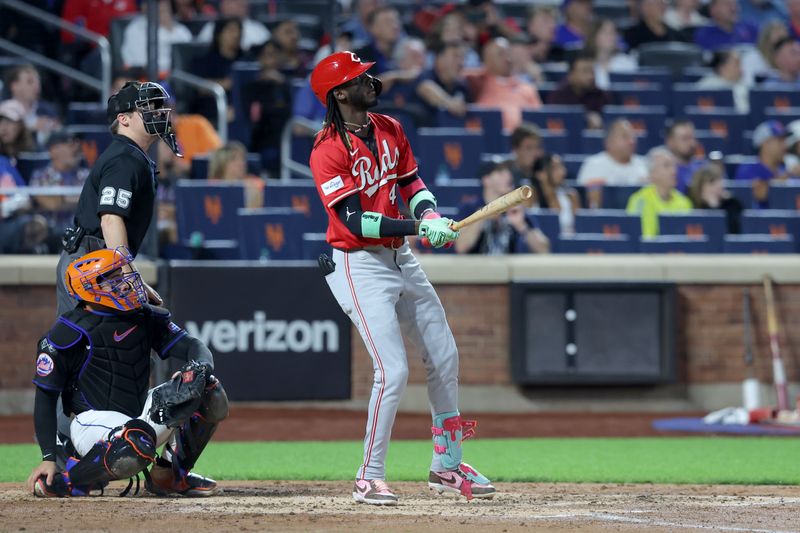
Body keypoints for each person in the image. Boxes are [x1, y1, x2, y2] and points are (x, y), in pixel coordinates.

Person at [308, 51, 495, 504]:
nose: (371, 80)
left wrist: (429, 213)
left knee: (444, 357)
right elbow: (355, 222)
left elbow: (411, 183)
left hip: (400, 258)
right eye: (360, 77)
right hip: (358, 264)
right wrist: (419, 228)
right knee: (392, 371)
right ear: (339, 93)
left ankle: (446, 466)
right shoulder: (327, 149)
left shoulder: (389, 127)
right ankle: (368, 475)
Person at [27, 247, 228, 498]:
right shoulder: (66, 333)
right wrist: (48, 457)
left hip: (139, 415)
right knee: (136, 439)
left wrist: (198, 367)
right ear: (90, 288)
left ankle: (169, 475)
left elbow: (193, 346)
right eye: (112, 278)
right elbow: (45, 398)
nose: (123, 282)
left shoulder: (143, 316)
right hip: (91, 422)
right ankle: (67, 482)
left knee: (209, 388)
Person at [56, 81, 182, 316]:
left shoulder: (131, 155)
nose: (156, 113)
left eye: (157, 107)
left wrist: (129, 274)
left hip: (100, 261)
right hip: (92, 264)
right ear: (124, 119)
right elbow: (110, 220)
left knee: (125, 344)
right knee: (91, 345)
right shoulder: (124, 159)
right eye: (146, 108)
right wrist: (128, 273)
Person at [455, 160, 551, 255]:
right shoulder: (470, 208)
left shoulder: (515, 209)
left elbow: (543, 249)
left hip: (508, 269)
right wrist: (482, 217)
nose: (508, 175)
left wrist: (522, 226)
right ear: (486, 180)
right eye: (500, 172)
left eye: (508, 172)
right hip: (477, 269)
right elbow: (460, 247)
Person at [468, 37, 542, 131]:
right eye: (500, 54)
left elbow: (539, 119)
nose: (507, 58)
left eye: (508, 53)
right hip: (490, 138)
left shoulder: (527, 88)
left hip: (521, 140)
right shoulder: (478, 81)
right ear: (487, 60)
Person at [243, 40, 293, 175]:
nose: (270, 59)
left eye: (274, 55)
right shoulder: (252, 87)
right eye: (266, 55)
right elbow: (254, 116)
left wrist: (282, 83)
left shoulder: (288, 83)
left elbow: (292, 112)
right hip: (264, 139)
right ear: (260, 58)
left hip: (288, 136)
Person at [577, 119, 649, 208]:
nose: (631, 141)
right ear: (609, 142)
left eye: (633, 136)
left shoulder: (645, 165)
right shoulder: (593, 165)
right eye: (625, 136)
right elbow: (589, 203)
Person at [29, 131, 90, 230]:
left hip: (81, 233)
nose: (77, 147)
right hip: (50, 234)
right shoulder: (41, 176)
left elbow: (94, 201)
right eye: (71, 143)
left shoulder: (88, 175)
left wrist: (62, 199)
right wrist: (82, 199)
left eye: (78, 143)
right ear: (53, 149)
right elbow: (51, 204)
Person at [626, 147, 692, 237]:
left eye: (674, 165)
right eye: (666, 166)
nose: (674, 171)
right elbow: (641, 238)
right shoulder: (639, 200)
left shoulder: (684, 202)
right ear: (652, 173)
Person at [120, 0, 192, 77]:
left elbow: (190, 61)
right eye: (158, 3)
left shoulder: (182, 30)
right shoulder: (136, 29)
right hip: (147, 81)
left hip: (180, 81)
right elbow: (140, 65)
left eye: (165, 3)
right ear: (145, 6)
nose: (163, 6)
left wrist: (169, 29)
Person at [546, 50, 613, 130]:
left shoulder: (601, 96)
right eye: (585, 71)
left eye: (592, 71)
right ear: (571, 75)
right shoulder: (558, 96)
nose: (590, 76)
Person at [734, 120, 795, 208]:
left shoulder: (784, 168)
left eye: (784, 141)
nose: (785, 146)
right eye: (780, 140)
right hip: (758, 221)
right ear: (765, 143)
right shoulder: (749, 168)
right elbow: (757, 194)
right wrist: (784, 179)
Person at [413, 42, 470, 125]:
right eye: (456, 57)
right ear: (439, 59)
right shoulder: (427, 75)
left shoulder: (461, 85)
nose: (461, 63)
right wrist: (449, 103)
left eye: (462, 58)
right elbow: (426, 88)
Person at [5, 64, 60, 147]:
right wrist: (32, 128)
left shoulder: (47, 109)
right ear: (14, 86)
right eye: (30, 82)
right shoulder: (5, 110)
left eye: (38, 82)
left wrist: (55, 128)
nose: (36, 86)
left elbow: (59, 131)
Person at [532, 153, 580, 234]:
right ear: (541, 174)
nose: (563, 172)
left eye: (562, 167)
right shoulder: (530, 197)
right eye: (555, 168)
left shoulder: (571, 196)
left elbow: (579, 228)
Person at [197, 0, 269, 53]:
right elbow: (201, 51)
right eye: (234, 2)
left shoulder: (258, 29)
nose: (240, 6)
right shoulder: (211, 27)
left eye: (242, 4)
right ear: (223, 6)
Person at [688, 164, 742, 233]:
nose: (718, 186)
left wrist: (715, 206)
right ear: (700, 188)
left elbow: (733, 231)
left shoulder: (731, 204)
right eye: (712, 182)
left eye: (719, 180)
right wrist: (710, 206)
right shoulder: (693, 208)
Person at [208, 141, 263, 208]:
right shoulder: (212, 186)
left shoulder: (254, 182)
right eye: (233, 159)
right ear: (221, 164)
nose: (241, 163)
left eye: (242, 159)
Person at [586, 19, 637, 90]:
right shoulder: (583, 64)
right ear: (594, 36)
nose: (611, 36)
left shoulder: (627, 62)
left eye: (613, 33)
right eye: (605, 32)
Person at [696, 49, 750, 113]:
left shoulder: (745, 87)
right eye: (737, 64)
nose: (741, 69)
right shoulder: (705, 85)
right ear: (722, 67)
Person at [693, 0, 758, 51]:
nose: (733, 8)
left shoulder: (752, 29)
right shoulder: (704, 35)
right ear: (713, 10)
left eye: (735, 4)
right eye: (727, 4)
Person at [664, 119, 706, 193]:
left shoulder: (704, 167)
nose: (691, 143)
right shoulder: (664, 172)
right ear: (670, 142)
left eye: (692, 138)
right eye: (685, 138)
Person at [508, 122, 544, 188]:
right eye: (529, 148)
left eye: (537, 147)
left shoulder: (543, 175)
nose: (535, 153)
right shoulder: (506, 178)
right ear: (515, 150)